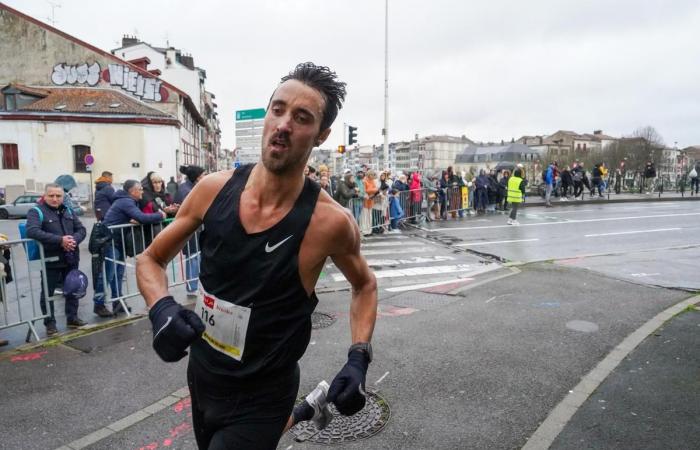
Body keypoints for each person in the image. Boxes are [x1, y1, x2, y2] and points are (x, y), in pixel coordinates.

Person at [136, 62, 377, 449]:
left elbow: (364, 285)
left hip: (265, 391)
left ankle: (291, 411)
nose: (284, 124)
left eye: (301, 118)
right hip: (204, 375)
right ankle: (304, 413)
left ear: (321, 135)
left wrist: (359, 356)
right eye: (278, 109)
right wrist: (161, 308)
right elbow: (149, 259)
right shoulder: (212, 190)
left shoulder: (328, 222)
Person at [96, 180, 165, 315]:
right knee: (108, 275)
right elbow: (142, 217)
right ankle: (98, 304)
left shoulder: (128, 201)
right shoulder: (125, 202)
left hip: (118, 241)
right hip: (110, 241)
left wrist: (136, 218)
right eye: (140, 189)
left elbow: (138, 217)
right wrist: (160, 215)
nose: (142, 192)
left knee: (118, 274)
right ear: (132, 191)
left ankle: (118, 302)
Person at [26, 184, 87, 335]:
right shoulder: (36, 211)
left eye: (58, 196)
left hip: (71, 257)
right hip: (50, 259)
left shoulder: (68, 210)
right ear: (45, 196)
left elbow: (81, 230)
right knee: (48, 292)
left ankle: (72, 318)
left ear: (62, 197)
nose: (54, 199)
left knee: (72, 288)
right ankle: (50, 323)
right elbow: (32, 231)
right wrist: (60, 240)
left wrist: (73, 240)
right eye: (51, 195)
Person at [175, 165, 205, 297]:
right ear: (197, 177)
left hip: (194, 228)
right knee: (192, 257)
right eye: (202, 175)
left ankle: (194, 285)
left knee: (195, 256)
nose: (204, 177)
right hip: (190, 229)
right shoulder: (186, 190)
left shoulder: (189, 187)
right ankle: (192, 287)